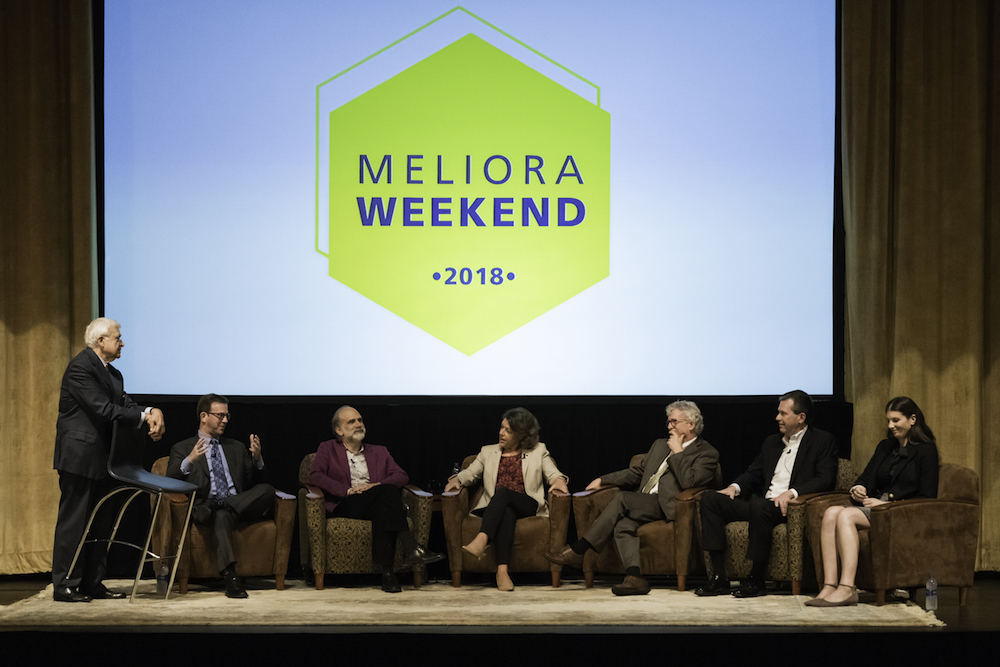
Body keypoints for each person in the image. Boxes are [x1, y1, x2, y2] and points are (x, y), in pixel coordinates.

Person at [546, 401, 719, 595]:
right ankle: (635, 577)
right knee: (623, 525)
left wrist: (678, 453)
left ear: (691, 424)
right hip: (644, 502)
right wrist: (602, 480)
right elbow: (636, 473)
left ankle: (581, 548)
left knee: (622, 499)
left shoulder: (707, 453)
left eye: (674, 422)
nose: (669, 426)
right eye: (668, 422)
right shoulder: (660, 445)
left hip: (671, 506)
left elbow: (690, 482)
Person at [52, 317, 166, 603]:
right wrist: (144, 418)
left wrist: (152, 410)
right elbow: (103, 409)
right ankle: (65, 584)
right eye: (117, 337)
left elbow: (124, 403)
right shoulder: (80, 367)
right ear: (100, 341)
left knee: (103, 524)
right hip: (79, 458)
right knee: (74, 523)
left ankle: (93, 582)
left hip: (106, 461)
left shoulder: (113, 375)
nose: (122, 342)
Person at [695, 390, 838, 598]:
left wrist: (792, 493)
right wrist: (734, 487)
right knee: (710, 499)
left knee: (760, 505)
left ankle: (756, 580)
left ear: (801, 417)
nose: (777, 418)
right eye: (778, 413)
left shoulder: (822, 441)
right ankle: (718, 578)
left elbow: (825, 478)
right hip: (762, 507)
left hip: (791, 507)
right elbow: (754, 472)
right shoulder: (772, 442)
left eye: (783, 413)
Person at [806, 396, 939, 607]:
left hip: (902, 512)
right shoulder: (885, 447)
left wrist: (888, 505)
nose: (891, 426)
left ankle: (848, 588)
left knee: (846, 514)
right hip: (877, 508)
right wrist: (858, 488)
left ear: (912, 419)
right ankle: (829, 585)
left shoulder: (926, 451)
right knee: (831, 512)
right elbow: (866, 478)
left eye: (896, 420)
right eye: (888, 420)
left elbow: (928, 497)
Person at [308, 406, 443, 593]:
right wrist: (346, 490)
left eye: (360, 420)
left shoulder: (379, 451)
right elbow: (315, 476)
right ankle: (411, 547)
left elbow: (401, 475)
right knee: (387, 493)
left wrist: (374, 485)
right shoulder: (328, 448)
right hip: (347, 503)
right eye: (351, 422)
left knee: (383, 506)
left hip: (376, 502)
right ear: (339, 430)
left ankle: (388, 575)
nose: (358, 424)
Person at [443, 407, 569, 592]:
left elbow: (552, 472)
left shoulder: (538, 450)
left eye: (508, 431)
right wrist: (458, 479)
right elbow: (471, 472)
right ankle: (502, 572)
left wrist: (558, 480)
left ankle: (482, 538)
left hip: (526, 503)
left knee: (503, 492)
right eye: (501, 427)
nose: (501, 433)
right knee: (506, 511)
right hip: (495, 507)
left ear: (522, 435)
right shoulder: (488, 452)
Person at [166, 394, 275, 598]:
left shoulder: (236, 447)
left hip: (237, 506)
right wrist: (189, 460)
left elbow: (253, 482)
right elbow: (169, 479)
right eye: (220, 415)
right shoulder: (182, 448)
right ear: (204, 416)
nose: (225, 420)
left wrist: (257, 459)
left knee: (267, 489)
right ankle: (231, 579)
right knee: (222, 515)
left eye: (227, 416)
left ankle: (223, 504)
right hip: (206, 507)